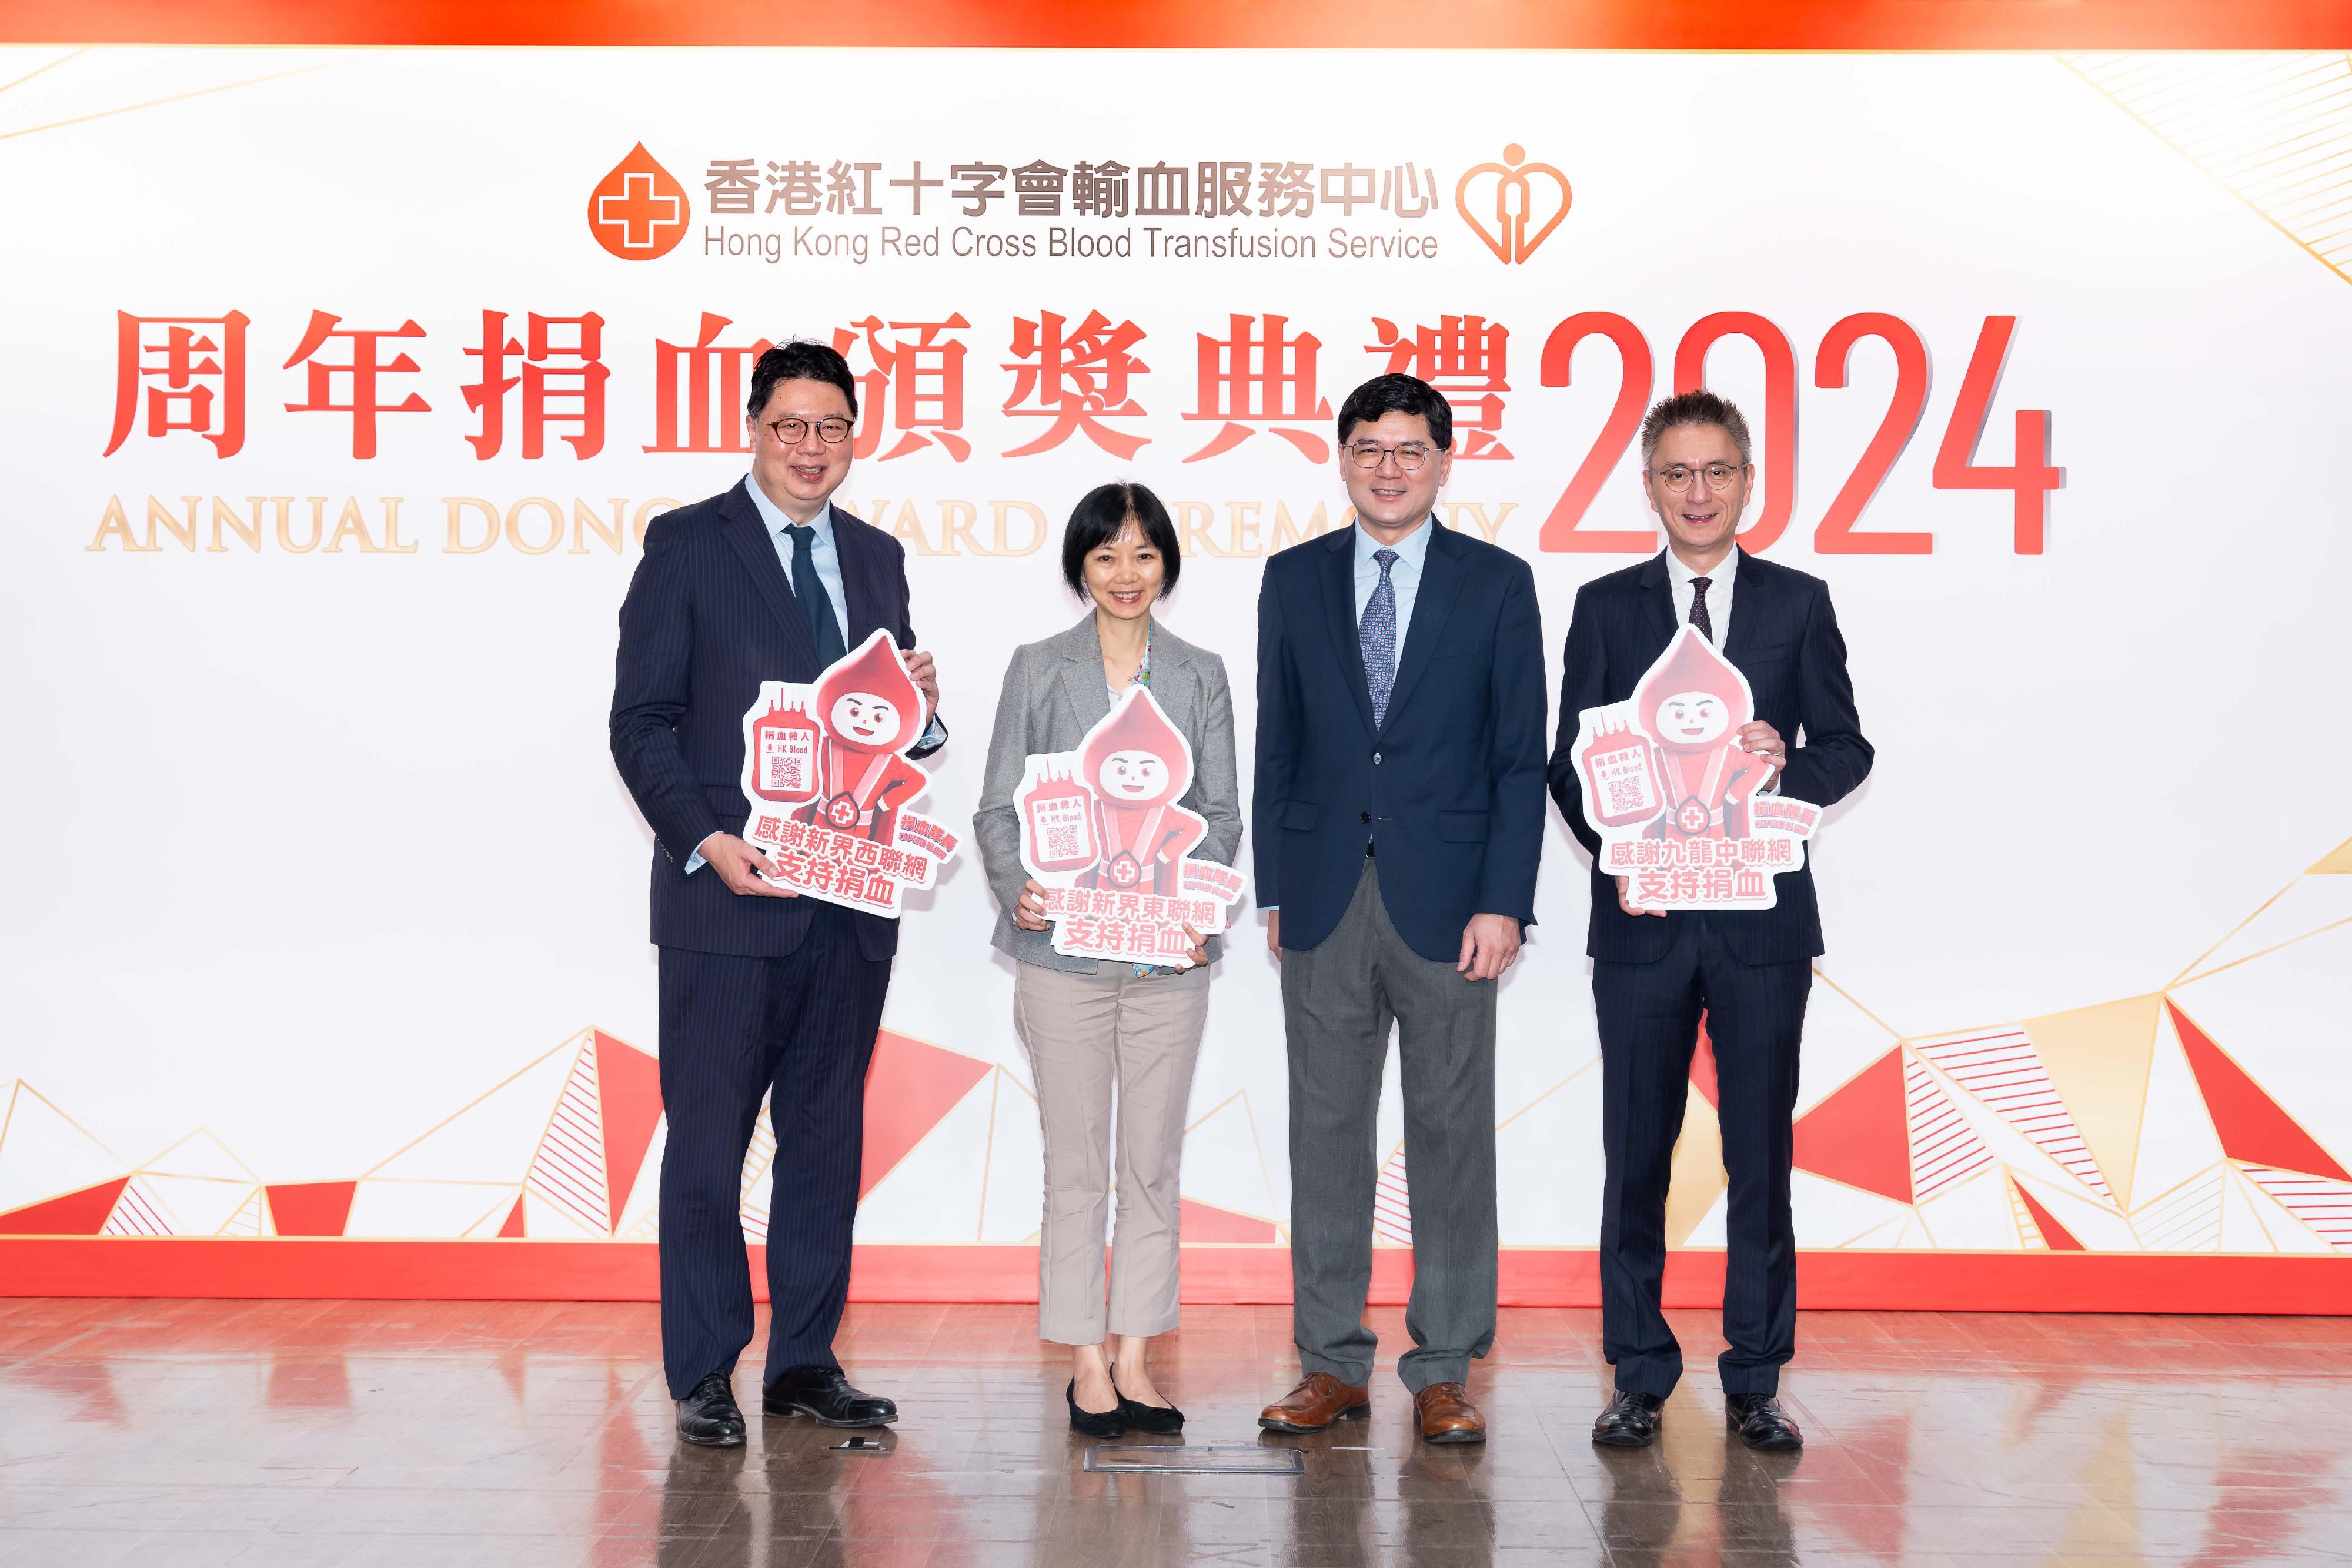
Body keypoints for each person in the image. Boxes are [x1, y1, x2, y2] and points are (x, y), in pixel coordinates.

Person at [609, 339, 946, 1448]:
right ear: (753, 429)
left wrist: (926, 713)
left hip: (848, 905)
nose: (812, 447)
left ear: (857, 437)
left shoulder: (879, 556)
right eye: (791, 426)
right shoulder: (687, 544)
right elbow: (642, 722)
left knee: (824, 1140)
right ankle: (705, 1369)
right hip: (729, 899)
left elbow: (886, 734)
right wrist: (706, 838)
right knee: (707, 1143)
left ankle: (803, 1360)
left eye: (832, 428)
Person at [1546, 390, 1873, 1452]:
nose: (1698, 492)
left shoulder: (1799, 602)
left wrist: (1792, 764)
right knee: (1634, 1151)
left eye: (1718, 471)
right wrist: (1622, 852)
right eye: (1677, 474)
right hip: (1642, 923)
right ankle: (1637, 1372)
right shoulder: (1604, 605)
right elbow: (1570, 764)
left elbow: (1848, 747)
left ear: (1748, 481)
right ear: (1648, 487)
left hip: (1763, 928)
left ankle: (1755, 1379)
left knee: (1759, 1155)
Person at [1252, 373, 1548, 1446]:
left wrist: (1504, 903)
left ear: (1443, 461)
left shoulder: (1499, 584)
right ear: (1342, 458)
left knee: (1451, 1136)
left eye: (1411, 449)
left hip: (1452, 906)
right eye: (1370, 447)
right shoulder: (1292, 580)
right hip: (1326, 899)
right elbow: (1278, 743)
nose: (1389, 466)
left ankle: (1444, 1367)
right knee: (1325, 1136)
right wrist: (1276, 890)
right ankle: (1329, 1363)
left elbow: (1520, 762)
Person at [973, 482, 1242, 1439]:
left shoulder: (1201, 673)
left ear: (1167, 564)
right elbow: (998, 808)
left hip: (1167, 957)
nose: (1127, 575)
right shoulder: (1040, 668)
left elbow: (1220, 815)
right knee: (1077, 1164)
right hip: (1061, 958)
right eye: (1106, 557)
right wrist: (1019, 888)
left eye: (1144, 555)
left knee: (1152, 1165)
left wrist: (1187, 900)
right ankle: (1084, 1357)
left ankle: (1137, 1355)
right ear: (1080, 568)